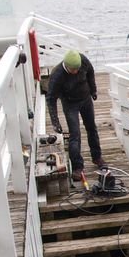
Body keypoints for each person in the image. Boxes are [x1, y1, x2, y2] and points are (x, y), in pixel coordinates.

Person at [46, 50, 106, 181]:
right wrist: (55, 122)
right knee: (75, 134)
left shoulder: (83, 61)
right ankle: (77, 166)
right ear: (66, 66)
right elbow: (51, 99)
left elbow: (90, 72)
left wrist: (93, 89)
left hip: (85, 99)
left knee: (92, 128)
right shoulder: (57, 75)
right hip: (70, 104)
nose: (76, 72)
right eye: (73, 70)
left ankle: (97, 157)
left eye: (78, 69)